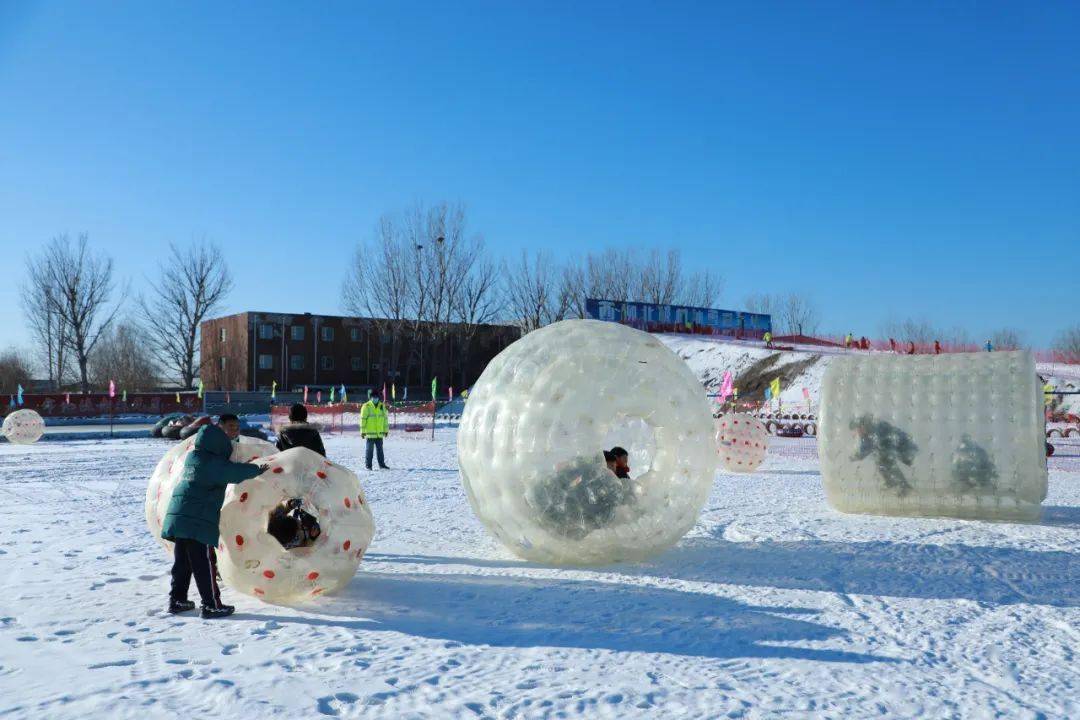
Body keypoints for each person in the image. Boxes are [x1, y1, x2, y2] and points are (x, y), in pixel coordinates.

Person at [161, 424, 267, 619]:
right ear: (217, 445)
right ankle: (211, 605)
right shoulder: (212, 463)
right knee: (205, 562)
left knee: (183, 562)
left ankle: (177, 600)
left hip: (179, 516)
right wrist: (257, 469)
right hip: (196, 519)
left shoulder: (194, 458)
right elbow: (234, 472)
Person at [360, 394, 390, 470]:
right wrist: (362, 431)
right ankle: (368, 465)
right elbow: (363, 420)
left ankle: (382, 465)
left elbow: (385, 419)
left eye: (376, 397)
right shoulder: (366, 406)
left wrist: (386, 431)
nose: (375, 398)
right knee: (369, 451)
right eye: (374, 397)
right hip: (370, 434)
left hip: (379, 434)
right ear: (371, 398)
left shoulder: (382, 406)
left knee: (380, 450)